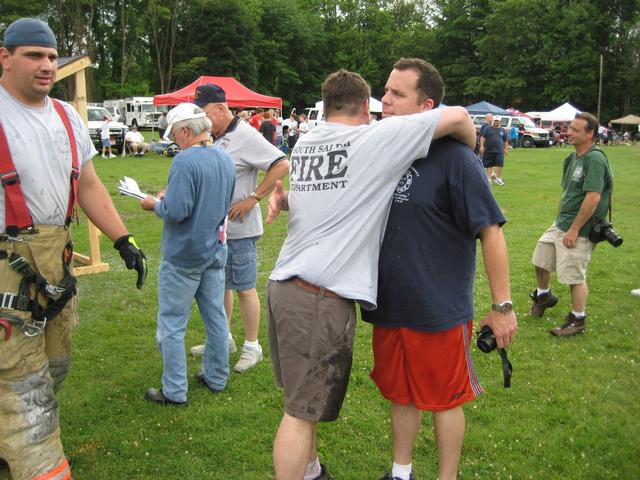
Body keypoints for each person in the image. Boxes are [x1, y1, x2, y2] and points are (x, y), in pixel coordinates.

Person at [265, 68, 476, 480]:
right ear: (366, 107)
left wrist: (285, 199)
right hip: (318, 297)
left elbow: (330, 194)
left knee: (298, 399)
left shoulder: (307, 141)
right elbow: (461, 118)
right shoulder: (371, 139)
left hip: (284, 287)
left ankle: (311, 471)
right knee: (299, 413)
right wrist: (469, 150)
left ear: (325, 105)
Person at [0, 18, 148, 479]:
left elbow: (88, 185)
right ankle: (41, 464)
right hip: (8, 268)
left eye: (51, 57)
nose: (47, 66)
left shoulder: (67, 117)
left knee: (55, 365)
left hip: (56, 267)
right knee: (23, 383)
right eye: (34, 56)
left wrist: (123, 239)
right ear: (5, 58)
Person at [360, 58, 517, 480]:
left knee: (446, 399)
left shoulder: (455, 159)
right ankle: (401, 472)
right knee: (401, 393)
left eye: (397, 94)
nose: (385, 100)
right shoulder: (383, 148)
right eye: (386, 91)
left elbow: (491, 233)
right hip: (389, 301)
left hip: (438, 308)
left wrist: (502, 305)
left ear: (427, 105)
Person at [189, 84, 289, 373]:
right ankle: (222, 339)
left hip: (241, 229)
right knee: (219, 286)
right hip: (218, 229)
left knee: (244, 288)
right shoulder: (216, 135)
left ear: (220, 109)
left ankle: (252, 346)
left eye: (205, 114)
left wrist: (253, 197)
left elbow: (282, 164)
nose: (202, 122)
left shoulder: (244, 134)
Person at [140, 103, 235, 405]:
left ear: (185, 131)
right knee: (216, 318)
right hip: (215, 249)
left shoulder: (184, 161)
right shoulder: (224, 157)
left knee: (171, 324)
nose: (174, 141)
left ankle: (175, 390)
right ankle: (217, 377)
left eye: (174, 134)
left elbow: (177, 211)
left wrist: (153, 204)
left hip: (184, 256)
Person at [529, 112, 613, 336]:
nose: (569, 132)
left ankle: (578, 320)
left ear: (590, 134)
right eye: (570, 128)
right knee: (540, 259)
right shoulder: (571, 158)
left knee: (574, 276)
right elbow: (567, 193)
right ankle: (544, 295)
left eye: (575, 130)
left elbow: (593, 197)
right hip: (562, 223)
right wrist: (560, 221)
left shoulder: (595, 159)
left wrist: (574, 229)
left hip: (581, 228)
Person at [480, 116, 508, 185]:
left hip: (499, 151)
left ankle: (498, 178)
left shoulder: (502, 130)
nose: (496, 122)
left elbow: (506, 140)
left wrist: (506, 149)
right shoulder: (487, 129)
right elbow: (482, 138)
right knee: (489, 165)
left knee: (500, 165)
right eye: (495, 120)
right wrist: (481, 146)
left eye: (498, 121)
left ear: (500, 122)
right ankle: (488, 179)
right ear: (493, 121)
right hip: (489, 150)